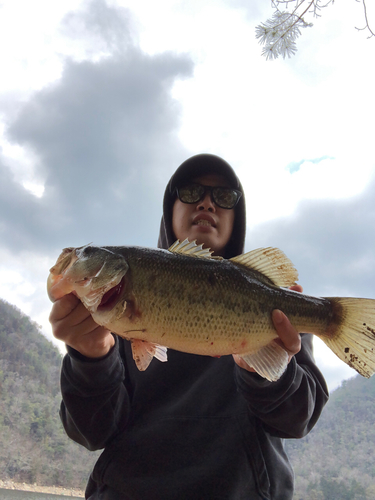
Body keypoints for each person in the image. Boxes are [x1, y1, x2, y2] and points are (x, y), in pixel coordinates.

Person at [50, 153, 329, 500]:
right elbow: (91, 433)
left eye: (225, 197)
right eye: (191, 191)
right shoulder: (113, 319)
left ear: (236, 218)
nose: (208, 204)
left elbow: (297, 420)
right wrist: (90, 359)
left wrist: (266, 371)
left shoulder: (276, 306)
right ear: (170, 209)